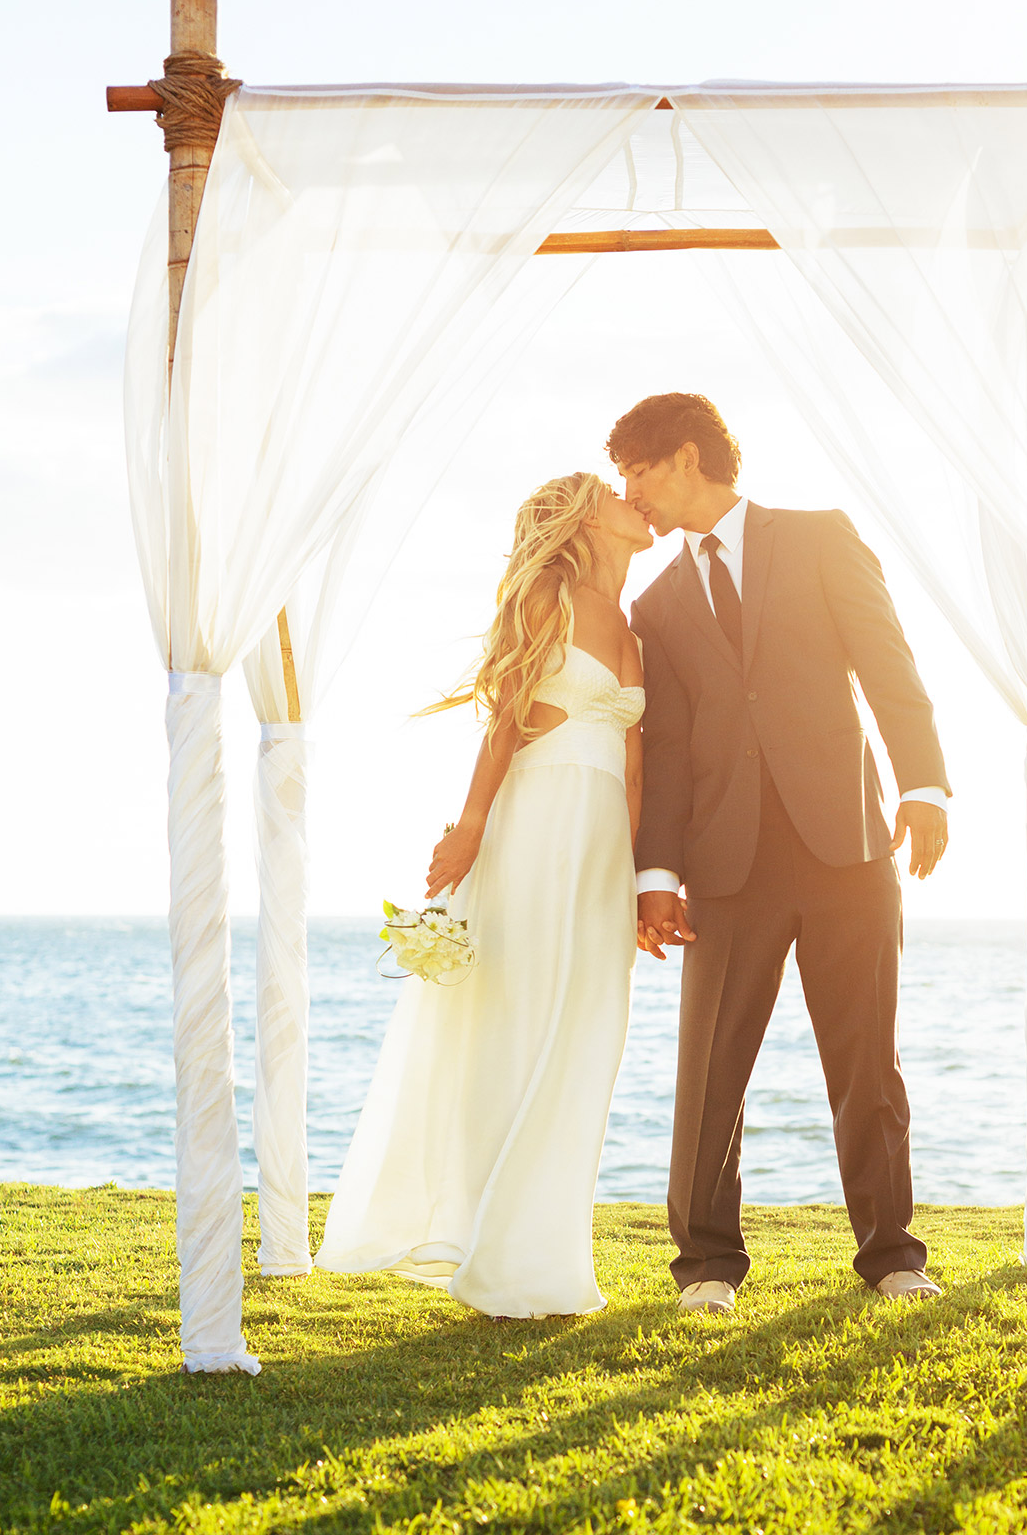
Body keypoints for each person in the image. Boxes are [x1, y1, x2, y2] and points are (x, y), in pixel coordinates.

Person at [610, 394, 951, 1314]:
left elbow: (888, 662)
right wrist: (656, 877)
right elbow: (668, 751)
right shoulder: (655, 603)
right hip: (728, 867)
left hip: (848, 846)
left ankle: (893, 1256)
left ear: (685, 458)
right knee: (711, 1072)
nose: (629, 490)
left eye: (636, 470)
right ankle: (707, 1266)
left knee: (866, 1060)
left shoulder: (820, 537)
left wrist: (923, 785)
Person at [315, 472, 652, 1318]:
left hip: (604, 849)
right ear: (584, 517)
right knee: (519, 1021)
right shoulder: (548, 598)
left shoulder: (632, 626)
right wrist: (469, 827)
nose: (633, 500)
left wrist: (636, 877)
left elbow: (637, 766)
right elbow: (506, 720)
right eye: (615, 493)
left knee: (586, 1033)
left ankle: (544, 1243)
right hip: (537, 823)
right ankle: (493, 1244)